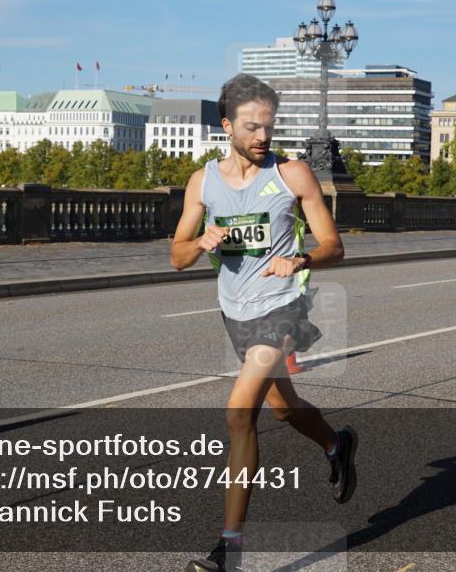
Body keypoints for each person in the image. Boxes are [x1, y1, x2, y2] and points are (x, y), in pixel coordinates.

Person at [171, 74, 357, 572]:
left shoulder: (292, 175)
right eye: (251, 126)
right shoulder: (202, 182)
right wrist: (201, 242)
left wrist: (301, 260)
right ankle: (336, 444)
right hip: (235, 309)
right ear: (226, 125)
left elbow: (334, 246)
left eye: (268, 126)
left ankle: (229, 548)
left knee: (238, 415)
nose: (262, 136)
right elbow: (176, 256)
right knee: (281, 409)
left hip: (283, 306)